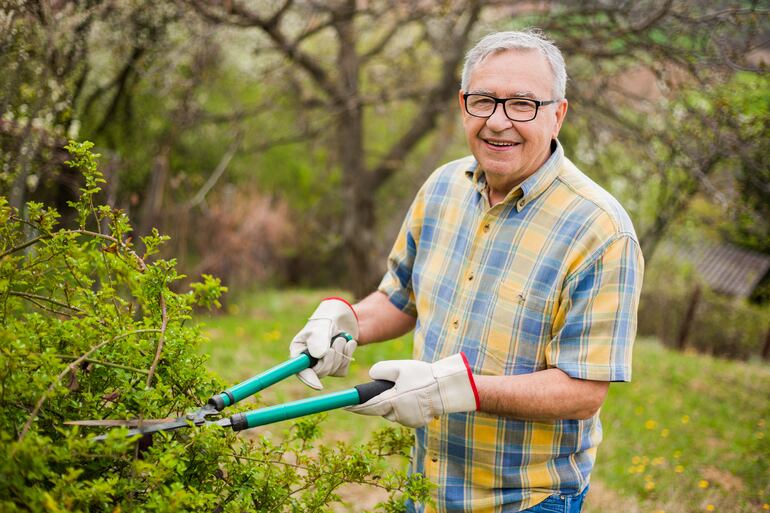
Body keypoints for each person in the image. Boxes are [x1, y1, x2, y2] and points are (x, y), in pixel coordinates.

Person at [289, 29, 644, 513]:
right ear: (463, 105)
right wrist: (343, 319)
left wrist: (455, 390)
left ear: (558, 114)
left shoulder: (601, 231)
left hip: (526, 500)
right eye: (484, 102)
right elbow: (399, 298)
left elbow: (582, 391)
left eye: (523, 104)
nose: (499, 122)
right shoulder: (442, 188)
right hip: (427, 490)